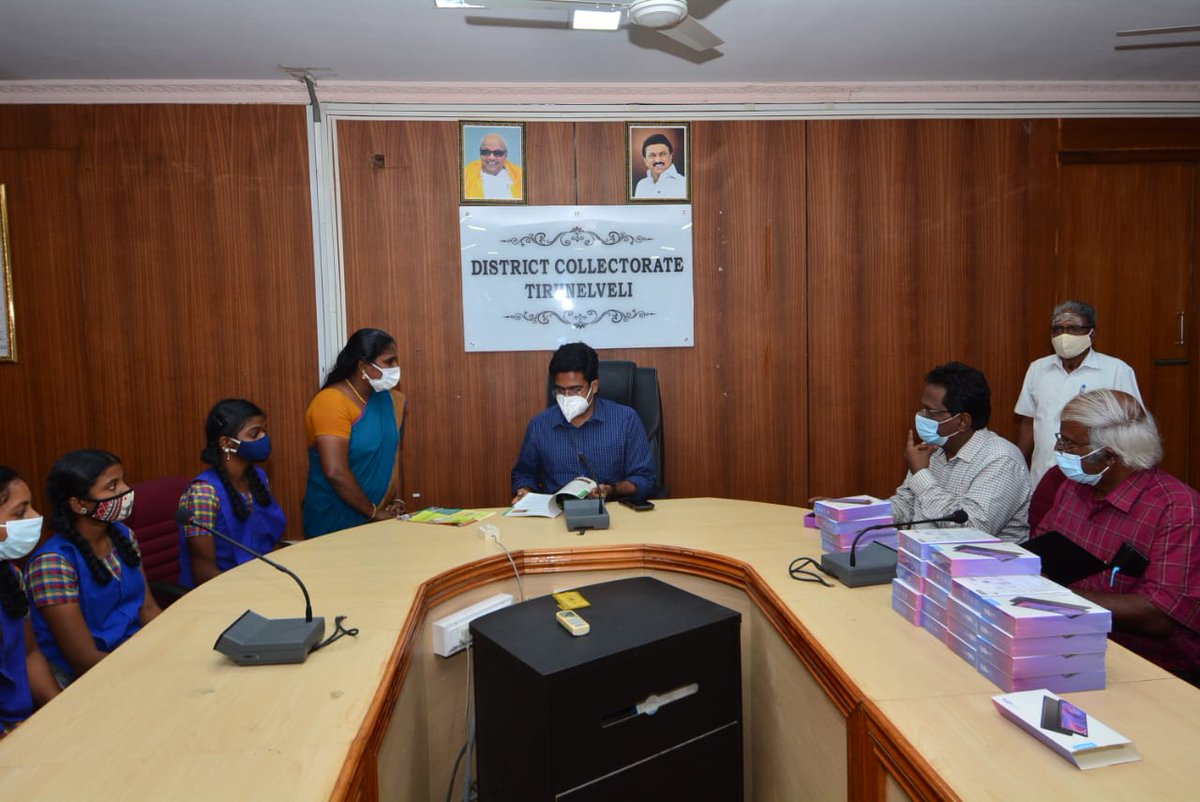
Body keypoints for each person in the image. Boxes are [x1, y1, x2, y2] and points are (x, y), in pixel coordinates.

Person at [1033, 390, 1200, 682]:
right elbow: (1040, 553)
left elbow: (1159, 617)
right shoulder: (1073, 488)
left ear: (1109, 455)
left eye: (1069, 443)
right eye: (1060, 438)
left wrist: (1056, 597)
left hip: (1151, 668)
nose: (1058, 449)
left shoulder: (1177, 509)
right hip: (1069, 643)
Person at [25, 450, 161, 685]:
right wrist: (147, 676)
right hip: (92, 676)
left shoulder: (123, 535)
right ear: (79, 504)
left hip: (138, 657)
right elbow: (83, 659)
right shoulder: (52, 564)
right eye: (112, 486)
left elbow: (147, 609)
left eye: (123, 480)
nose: (125, 490)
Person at [890, 362, 1031, 542]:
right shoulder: (934, 450)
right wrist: (859, 517)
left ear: (963, 421)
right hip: (923, 559)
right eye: (923, 408)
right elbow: (905, 505)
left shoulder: (1001, 460)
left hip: (982, 567)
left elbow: (972, 531)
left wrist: (921, 475)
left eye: (931, 411)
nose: (922, 416)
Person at [511, 342, 656, 504]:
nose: (566, 396)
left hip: (612, 510)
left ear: (594, 386)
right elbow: (524, 474)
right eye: (560, 390)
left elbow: (645, 479)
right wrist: (524, 491)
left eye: (575, 389)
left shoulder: (625, 420)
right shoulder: (540, 425)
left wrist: (612, 489)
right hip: (558, 513)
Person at [1015, 300, 1142, 486]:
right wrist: (1017, 465)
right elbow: (1028, 421)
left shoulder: (1117, 370)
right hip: (1042, 476)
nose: (1064, 336)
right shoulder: (1038, 369)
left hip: (1093, 478)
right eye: (1057, 329)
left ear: (1092, 333)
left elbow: (1133, 427)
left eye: (1073, 328)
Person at [303, 328, 408, 537]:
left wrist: (396, 499)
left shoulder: (391, 400)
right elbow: (335, 471)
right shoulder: (331, 402)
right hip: (334, 518)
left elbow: (392, 457)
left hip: (382, 517)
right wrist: (372, 512)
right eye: (389, 361)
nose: (396, 368)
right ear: (363, 366)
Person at [177, 399, 287, 587]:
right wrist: (252, 589)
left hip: (265, 580)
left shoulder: (259, 477)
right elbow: (203, 573)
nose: (263, 438)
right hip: (225, 591)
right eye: (255, 434)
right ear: (227, 443)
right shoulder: (203, 494)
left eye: (264, 431)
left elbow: (270, 542)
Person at [0, 466, 59, 737]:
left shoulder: (11, 573)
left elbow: (29, 653)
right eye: (20, 512)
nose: (36, 517)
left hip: (23, 722)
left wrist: (59, 708)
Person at [463, 132, 523, 200]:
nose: (491, 158)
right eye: (486, 152)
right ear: (480, 153)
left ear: (506, 154)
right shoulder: (466, 174)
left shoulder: (520, 176)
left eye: (497, 153)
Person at [633, 133, 686, 199]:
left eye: (662, 154)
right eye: (652, 155)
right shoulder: (641, 185)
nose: (658, 160)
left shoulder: (683, 184)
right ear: (645, 160)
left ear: (671, 156)